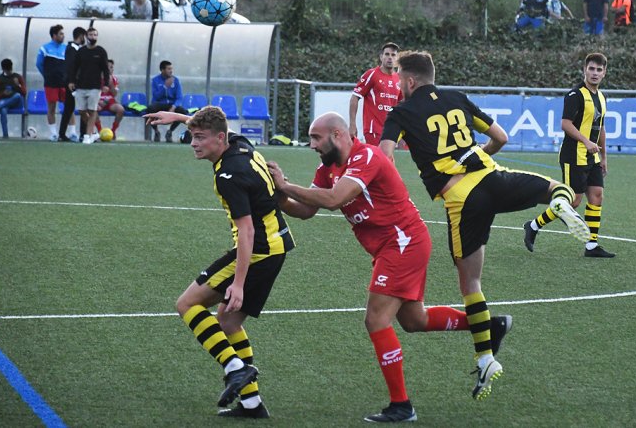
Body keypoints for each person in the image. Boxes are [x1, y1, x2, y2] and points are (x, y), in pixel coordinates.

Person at [267, 112, 513, 421]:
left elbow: (333, 199)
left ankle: (401, 406)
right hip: (393, 246)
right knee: (414, 320)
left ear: (338, 136)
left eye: (317, 138)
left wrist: (285, 185)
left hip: (403, 243)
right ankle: (487, 326)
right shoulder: (327, 168)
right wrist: (277, 195)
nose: (312, 144)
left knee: (376, 320)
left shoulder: (365, 156)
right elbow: (305, 210)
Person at [379, 51, 590, 402]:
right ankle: (559, 204)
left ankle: (485, 357)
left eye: (399, 77)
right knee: (555, 187)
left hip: (463, 198)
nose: (397, 83)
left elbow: (385, 158)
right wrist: (479, 152)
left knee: (471, 284)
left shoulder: (401, 112)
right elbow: (501, 137)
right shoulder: (457, 98)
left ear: (410, 81)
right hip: (493, 176)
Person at [144, 105, 294, 418]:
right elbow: (214, 125)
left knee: (187, 304)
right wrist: (181, 118)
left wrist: (237, 284)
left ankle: (235, 367)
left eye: (199, 138)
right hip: (274, 246)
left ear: (219, 139)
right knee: (227, 321)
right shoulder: (240, 145)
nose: (193, 143)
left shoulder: (229, 175)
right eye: (190, 136)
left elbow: (247, 231)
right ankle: (252, 405)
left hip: (259, 250)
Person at [525, 53, 617, 258]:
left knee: (597, 197)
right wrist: (586, 141)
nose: (594, 73)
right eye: (591, 69)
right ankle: (532, 226)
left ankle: (591, 246)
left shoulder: (602, 97)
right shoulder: (575, 95)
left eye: (599, 70)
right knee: (573, 202)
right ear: (584, 70)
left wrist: (604, 158)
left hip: (593, 157)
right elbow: (565, 124)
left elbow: (601, 128)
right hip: (573, 156)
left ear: (604, 73)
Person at [349, 42, 401, 146]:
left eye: (393, 55)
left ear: (397, 59)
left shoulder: (399, 79)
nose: (390, 57)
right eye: (387, 54)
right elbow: (355, 97)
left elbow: (400, 105)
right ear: (381, 57)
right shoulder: (372, 74)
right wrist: (352, 124)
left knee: (387, 161)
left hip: (390, 130)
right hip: (374, 130)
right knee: (380, 160)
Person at [35, 24, 77, 142]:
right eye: (61, 34)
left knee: (69, 108)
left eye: (63, 34)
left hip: (65, 84)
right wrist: (47, 76)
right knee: (51, 108)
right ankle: (53, 133)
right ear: (54, 35)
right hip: (51, 83)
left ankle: (72, 132)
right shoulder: (45, 48)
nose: (63, 36)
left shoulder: (67, 48)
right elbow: (39, 64)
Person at [68, 27, 109, 145]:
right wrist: (71, 81)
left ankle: (87, 135)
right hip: (81, 86)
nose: (93, 37)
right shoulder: (81, 51)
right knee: (81, 111)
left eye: (95, 35)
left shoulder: (101, 51)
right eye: (91, 35)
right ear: (86, 36)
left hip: (95, 87)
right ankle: (94, 132)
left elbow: (105, 69)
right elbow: (74, 68)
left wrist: (105, 84)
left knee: (92, 110)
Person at [147, 60, 188, 142]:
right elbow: (156, 96)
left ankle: (170, 132)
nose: (171, 71)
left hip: (171, 105)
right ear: (162, 70)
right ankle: (156, 132)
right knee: (149, 109)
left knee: (182, 111)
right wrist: (165, 87)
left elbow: (179, 97)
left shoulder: (175, 80)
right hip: (159, 104)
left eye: (171, 69)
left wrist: (174, 106)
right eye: (168, 69)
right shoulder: (155, 80)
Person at [59, 26, 87, 142]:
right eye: (84, 36)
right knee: (76, 107)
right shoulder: (72, 49)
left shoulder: (77, 48)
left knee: (70, 108)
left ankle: (64, 134)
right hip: (74, 83)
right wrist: (71, 81)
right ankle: (81, 134)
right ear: (81, 36)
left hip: (76, 82)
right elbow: (70, 66)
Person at [0, 58, 27, 139]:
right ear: (3, 69)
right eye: (7, 70)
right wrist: (3, 93)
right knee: (3, 110)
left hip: (17, 102)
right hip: (4, 101)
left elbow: (24, 93)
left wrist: (18, 85)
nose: (9, 72)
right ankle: (5, 135)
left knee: (17, 95)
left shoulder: (18, 77)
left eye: (10, 70)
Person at [95, 59, 125, 139]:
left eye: (112, 67)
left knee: (121, 109)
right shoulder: (96, 78)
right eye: (108, 67)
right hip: (97, 101)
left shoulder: (114, 79)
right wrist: (99, 101)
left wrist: (111, 84)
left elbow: (114, 94)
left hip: (110, 101)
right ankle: (100, 131)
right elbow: (92, 93)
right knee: (93, 110)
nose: (110, 69)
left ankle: (113, 131)